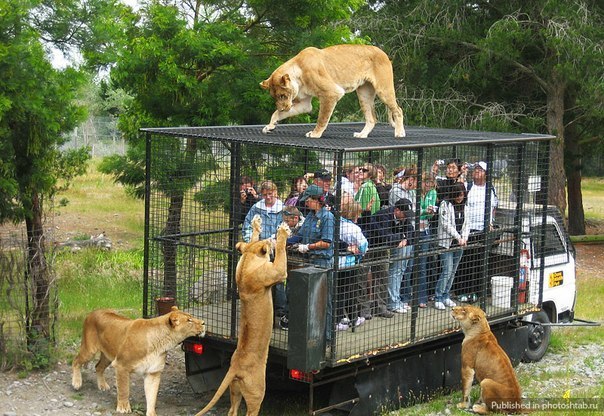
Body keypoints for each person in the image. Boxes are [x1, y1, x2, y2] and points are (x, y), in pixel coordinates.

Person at [293, 184, 336, 337]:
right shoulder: (311, 216)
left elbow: (327, 242)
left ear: (317, 200)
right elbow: (299, 235)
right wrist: (282, 240)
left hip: (322, 263)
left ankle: (327, 336)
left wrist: (308, 247)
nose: (306, 203)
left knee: (324, 301)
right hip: (309, 263)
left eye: (308, 200)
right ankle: (312, 335)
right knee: (309, 300)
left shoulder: (327, 217)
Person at [362, 198, 414, 317]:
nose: (406, 217)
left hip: (382, 248)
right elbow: (386, 236)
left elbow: (412, 232)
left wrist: (405, 240)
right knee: (364, 277)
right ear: (396, 210)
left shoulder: (403, 218)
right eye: (404, 214)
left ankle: (380, 308)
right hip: (369, 246)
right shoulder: (383, 216)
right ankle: (364, 310)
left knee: (382, 277)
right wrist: (401, 237)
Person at [455, 161, 499, 300]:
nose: (477, 171)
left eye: (480, 170)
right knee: (466, 262)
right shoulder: (468, 187)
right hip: (468, 230)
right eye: (476, 169)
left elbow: (493, 208)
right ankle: (462, 292)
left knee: (480, 262)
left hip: (483, 230)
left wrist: (491, 223)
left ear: (486, 173)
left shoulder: (490, 189)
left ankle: (477, 292)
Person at [335, 197, 369, 331]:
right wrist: (358, 252)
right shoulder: (354, 228)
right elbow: (364, 246)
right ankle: (341, 320)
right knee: (347, 291)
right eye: (359, 213)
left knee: (339, 291)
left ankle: (348, 317)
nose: (360, 216)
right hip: (349, 263)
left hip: (336, 263)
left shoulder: (337, 223)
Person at [434, 182, 468, 310]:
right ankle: (438, 297)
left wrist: (464, 237)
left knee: (453, 271)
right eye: (458, 195)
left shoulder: (465, 206)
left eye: (462, 195)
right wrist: (458, 237)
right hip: (446, 244)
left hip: (459, 244)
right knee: (447, 270)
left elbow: (466, 224)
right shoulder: (445, 204)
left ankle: (446, 295)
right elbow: (446, 224)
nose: (460, 198)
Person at [274, 205, 304, 331]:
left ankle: (290, 316)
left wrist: (285, 243)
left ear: (296, 218)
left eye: (287, 221)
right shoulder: (284, 225)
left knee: (295, 289)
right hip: (288, 260)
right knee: (287, 286)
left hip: (301, 262)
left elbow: (298, 239)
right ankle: (285, 312)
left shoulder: (303, 226)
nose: (285, 223)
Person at [417, 172, 438, 308]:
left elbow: (428, 213)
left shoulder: (433, 193)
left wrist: (429, 212)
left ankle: (422, 297)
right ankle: (407, 295)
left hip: (425, 230)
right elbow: (415, 211)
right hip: (414, 229)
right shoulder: (416, 193)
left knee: (423, 264)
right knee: (410, 264)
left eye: (431, 185)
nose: (428, 186)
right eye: (426, 183)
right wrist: (425, 211)